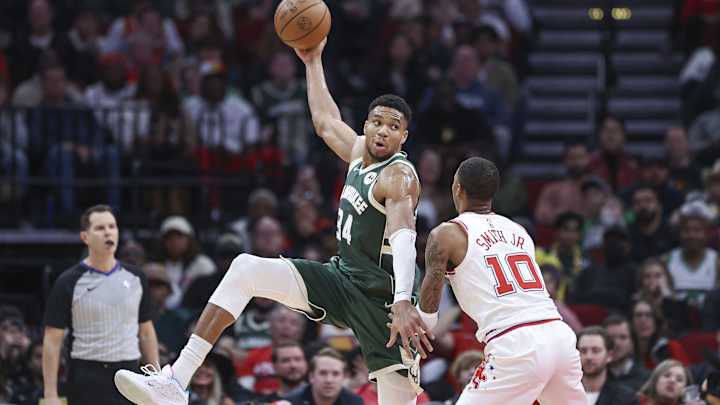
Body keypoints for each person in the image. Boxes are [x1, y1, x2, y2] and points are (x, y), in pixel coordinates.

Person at [114, 37, 424, 405]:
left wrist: (403, 302)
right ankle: (176, 381)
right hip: (342, 280)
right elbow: (326, 122)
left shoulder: (398, 175)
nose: (384, 130)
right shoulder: (359, 153)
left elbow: (404, 238)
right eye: (377, 122)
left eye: (393, 126)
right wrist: (312, 61)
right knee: (245, 268)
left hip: (384, 303)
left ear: (403, 137)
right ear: (366, 126)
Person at [388, 157, 586, 404]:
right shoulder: (518, 231)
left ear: (457, 188)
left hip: (515, 342)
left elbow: (428, 313)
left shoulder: (447, 234)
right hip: (558, 336)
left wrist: (413, 329)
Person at [42, 204, 159, 405]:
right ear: (85, 237)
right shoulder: (68, 281)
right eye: (100, 228)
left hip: (131, 373)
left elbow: (147, 333)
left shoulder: (136, 277)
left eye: (112, 226)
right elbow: (52, 340)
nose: (108, 232)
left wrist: (157, 380)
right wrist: (50, 394)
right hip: (87, 376)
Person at [577, 326, 639, 405]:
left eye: (596, 351)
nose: (589, 357)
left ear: (609, 355)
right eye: (583, 351)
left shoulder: (626, 398)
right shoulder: (565, 392)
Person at [284, 347, 363, 405]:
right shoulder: (290, 403)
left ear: (344, 377)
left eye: (335, 374)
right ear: (311, 377)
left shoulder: (354, 402)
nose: (329, 380)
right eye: (323, 373)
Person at [603, 315, 651, 392]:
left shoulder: (648, 380)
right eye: (610, 338)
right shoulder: (590, 376)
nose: (616, 343)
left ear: (632, 343)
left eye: (623, 337)